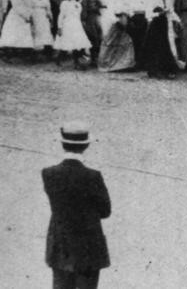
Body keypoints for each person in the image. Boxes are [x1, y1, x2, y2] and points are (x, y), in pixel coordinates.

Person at [43, 121, 112, 289]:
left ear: (62, 144)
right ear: (86, 145)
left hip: (61, 246)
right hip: (89, 247)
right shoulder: (93, 176)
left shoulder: (49, 174)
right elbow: (105, 211)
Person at [53, 0, 91, 69]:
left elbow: (79, 16)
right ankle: (59, 58)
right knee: (66, 43)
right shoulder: (65, 3)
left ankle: (77, 62)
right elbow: (61, 16)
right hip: (67, 25)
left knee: (78, 44)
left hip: (77, 25)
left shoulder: (78, 4)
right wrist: (59, 27)